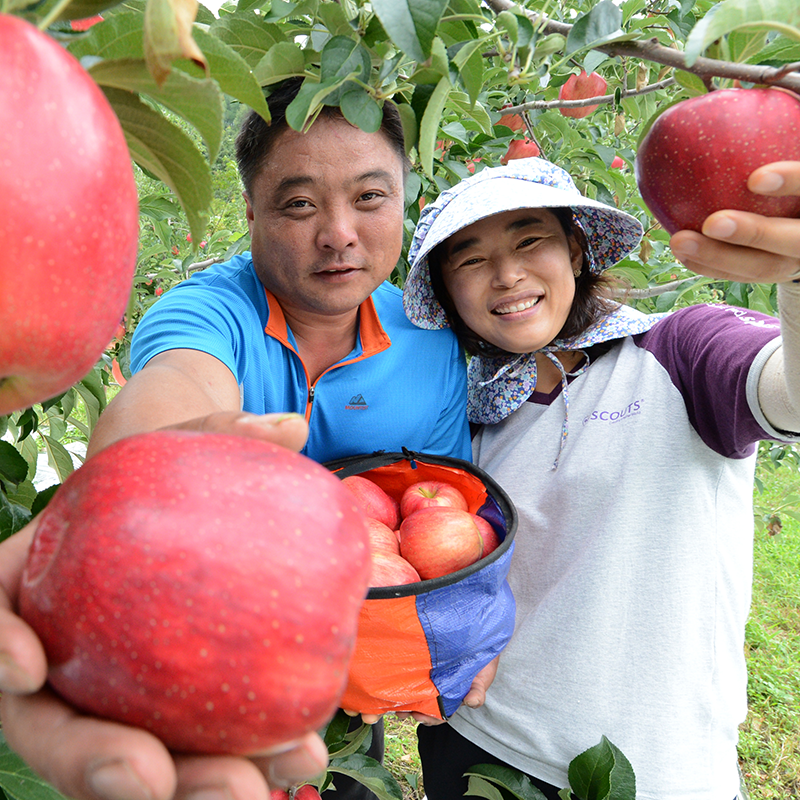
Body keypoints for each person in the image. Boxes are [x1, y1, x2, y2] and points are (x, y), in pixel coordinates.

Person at [0, 76, 473, 800]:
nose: (339, 232)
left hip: (339, 655)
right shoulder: (208, 311)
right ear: (250, 213)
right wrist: (125, 492)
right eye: (300, 203)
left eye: (370, 198)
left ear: (404, 204)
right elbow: (171, 397)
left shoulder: (431, 343)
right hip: (179, 636)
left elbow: (436, 518)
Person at [401, 156, 800, 800]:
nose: (507, 275)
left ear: (577, 251)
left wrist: (797, 281)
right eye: (469, 259)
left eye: (530, 240)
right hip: (480, 745)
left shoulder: (680, 354)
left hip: (661, 767)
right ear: (448, 292)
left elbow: (791, 392)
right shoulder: (462, 414)